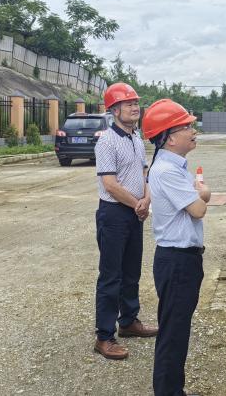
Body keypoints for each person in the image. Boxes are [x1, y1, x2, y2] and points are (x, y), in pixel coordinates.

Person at [143, 99, 210, 396]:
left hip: (182, 260)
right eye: (187, 127)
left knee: (177, 330)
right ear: (170, 138)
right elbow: (198, 209)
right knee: (173, 334)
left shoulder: (174, 165)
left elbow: (197, 201)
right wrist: (203, 193)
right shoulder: (167, 171)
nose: (193, 131)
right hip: (177, 261)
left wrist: (200, 194)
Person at [93, 82, 157, 360]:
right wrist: (137, 203)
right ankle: (104, 336)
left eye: (136, 102)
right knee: (111, 276)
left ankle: (129, 321)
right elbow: (110, 184)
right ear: (114, 110)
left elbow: (144, 173)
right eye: (128, 103)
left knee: (131, 271)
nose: (134, 107)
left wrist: (147, 198)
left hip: (135, 212)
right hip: (114, 214)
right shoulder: (107, 141)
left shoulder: (136, 138)